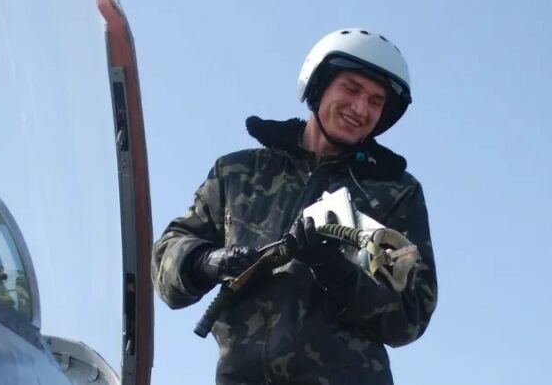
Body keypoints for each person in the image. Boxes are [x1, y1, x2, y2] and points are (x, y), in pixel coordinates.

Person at [153, 28, 438, 385]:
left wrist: (336, 271)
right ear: (318, 85)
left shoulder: (396, 192)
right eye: (351, 89)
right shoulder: (238, 172)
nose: (361, 108)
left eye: (376, 101)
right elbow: (165, 261)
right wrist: (207, 261)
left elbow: (411, 314)